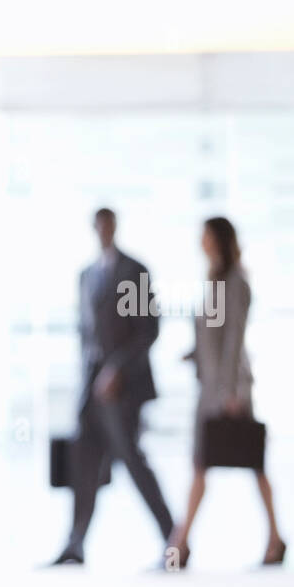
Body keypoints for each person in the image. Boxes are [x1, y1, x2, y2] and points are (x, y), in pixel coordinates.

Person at [52, 207, 176, 566]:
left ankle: (174, 541)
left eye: (109, 224)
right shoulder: (86, 275)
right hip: (91, 388)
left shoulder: (134, 272)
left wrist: (117, 369)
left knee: (133, 462)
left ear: (116, 226)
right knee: (83, 463)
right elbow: (86, 332)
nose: (104, 230)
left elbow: (148, 330)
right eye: (99, 225)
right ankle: (75, 544)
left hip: (124, 390)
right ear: (93, 228)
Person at [167, 216, 286, 566]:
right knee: (213, 465)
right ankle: (184, 543)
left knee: (246, 463)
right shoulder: (215, 281)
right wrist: (195, 354)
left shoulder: (235, 282)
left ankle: (181, 545)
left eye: (205, 236)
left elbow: (234, 339)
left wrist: (230, 392)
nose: (200, 242)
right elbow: (214, 337)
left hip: (229, 391)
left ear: (219, 239)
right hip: (212, 387)